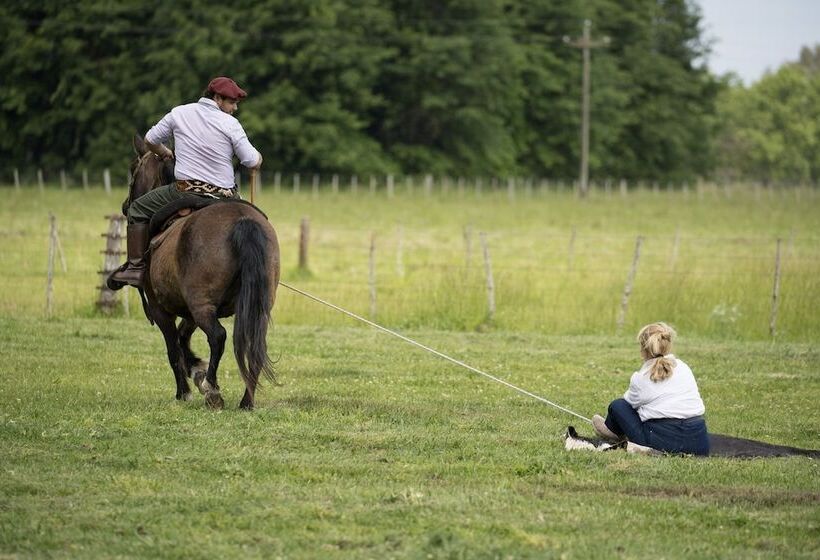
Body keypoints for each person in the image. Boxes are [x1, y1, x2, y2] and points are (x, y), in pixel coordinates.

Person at [108, 76, 262, 290]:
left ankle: (135, 268)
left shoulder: (179, 113)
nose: (234, 108)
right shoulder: (231, 124)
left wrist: (165, 153)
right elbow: (250, 160)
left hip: (184, 192)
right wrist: (258, 159)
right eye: (231, 102)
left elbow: (151, 139)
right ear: (217, 98)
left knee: (136, 209)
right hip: (226, 196)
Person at [592, 322, 710, 456]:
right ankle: (613, 431)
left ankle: (612, 431)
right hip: (700, 443)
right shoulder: (683, 367)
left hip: (661, 444)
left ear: (643, 349)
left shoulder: (640, 378)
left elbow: (630, 406)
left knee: (618, 405)